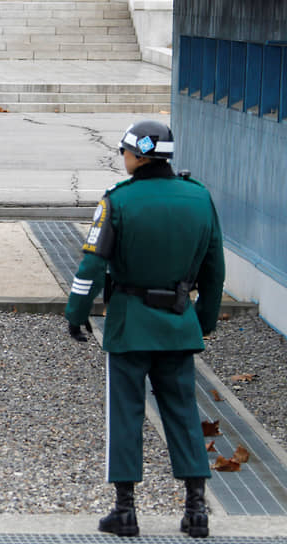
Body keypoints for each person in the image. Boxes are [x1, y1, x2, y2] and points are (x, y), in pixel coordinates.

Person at [65, 120, 225, 538]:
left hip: (131, 324)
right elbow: (214, 271)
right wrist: (202, 320)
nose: (123, 158)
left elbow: (92, 266)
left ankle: (125, 510)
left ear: (137, 154)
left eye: (124, 151)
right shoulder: (200, 199)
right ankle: (195, 509)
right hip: (177, 321)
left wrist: (76, 311)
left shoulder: (118, 202)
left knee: (126, 413)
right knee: (184, 412)